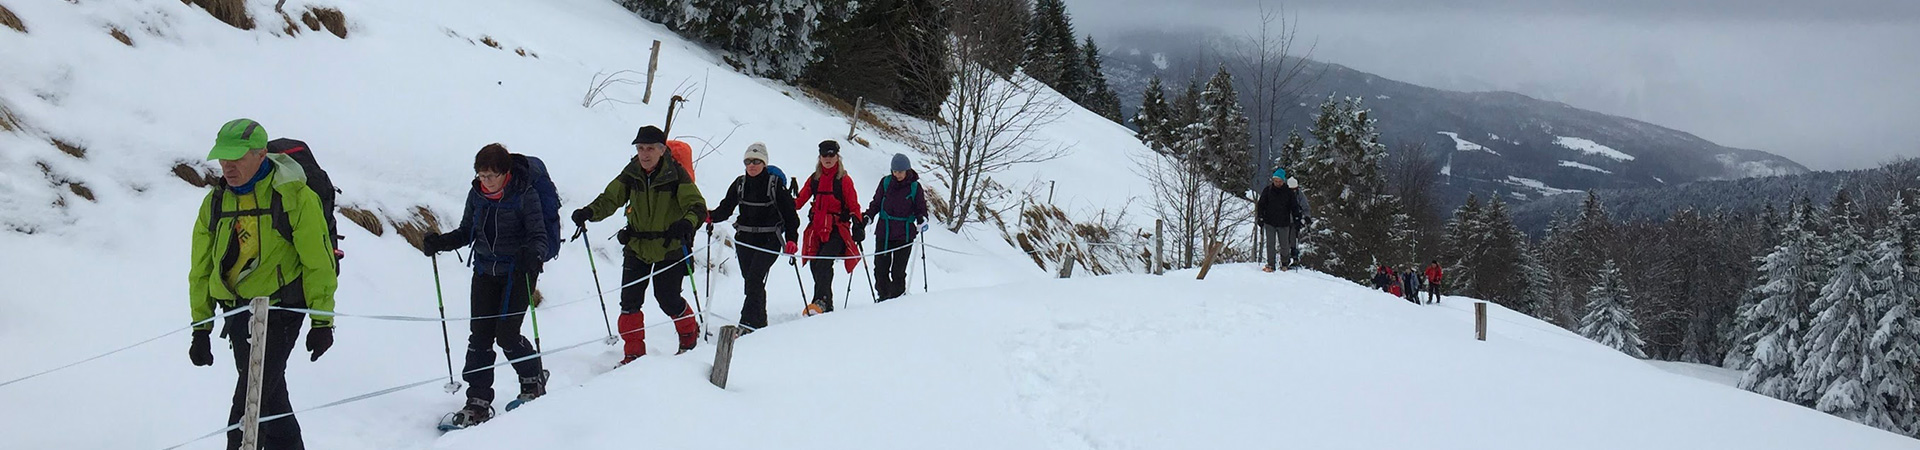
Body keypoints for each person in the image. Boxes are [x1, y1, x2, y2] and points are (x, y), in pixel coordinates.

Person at [186, 119, 337, 450]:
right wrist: (201, 328)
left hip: (283, 309)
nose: (228, 166)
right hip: (238, 310)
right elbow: (200, 268)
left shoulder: (294, 195)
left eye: (236, 158)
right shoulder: (215, 202)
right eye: (223, 159)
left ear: (260, 155)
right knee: (269, 396)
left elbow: (318, 261)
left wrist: (321, 320)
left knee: (247, 407)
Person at [420, 144, 551, 427]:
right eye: (481, 175)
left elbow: (539, 235)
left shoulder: (524, 194)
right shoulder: (477, 194)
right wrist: (441, 242)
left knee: (506, 334)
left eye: (491, 175)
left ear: (505, 173)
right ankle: (477, 401)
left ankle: (533, 380)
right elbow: (468, 231)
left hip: (518, 272)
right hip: (484, 270)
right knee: (479, 336)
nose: (486, 181)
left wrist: (534, 254)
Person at [572, 125, 707, 364]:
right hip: (637, 246)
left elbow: (696, 204)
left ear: (662, 150)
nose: (644, 154)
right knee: (629, 303)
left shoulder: (675, 174)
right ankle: (633, 355)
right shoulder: (632, 172)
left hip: (670, 246)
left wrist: (688, 223)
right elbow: (611, 198)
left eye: (650, 148)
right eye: (640, 148)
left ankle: (689, 336)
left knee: (668, 299)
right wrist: (589, 212)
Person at [707, 143, 801, 331]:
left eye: (757, 161)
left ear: (764, 163)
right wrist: (709, 216)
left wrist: (792, 239)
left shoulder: (775, 185)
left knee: (754, 279)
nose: (752, 165)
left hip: (769, 240)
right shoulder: (740, 184)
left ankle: (747, 324)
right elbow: (726, 208)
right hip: (745, 239)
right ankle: (760, 321)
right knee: (751, 280)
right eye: (748, 161)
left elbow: (791, 216)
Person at [795, 140, 862, 315]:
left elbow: (854, 205)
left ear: (837, 156)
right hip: (817, 228)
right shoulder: (815, 179)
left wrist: (858, 224)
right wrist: (784, 201)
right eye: (825, 155)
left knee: (824, 261)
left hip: (837, 229)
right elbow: (799, 201)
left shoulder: (844, 180)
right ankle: (825, 302)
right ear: (820, 157)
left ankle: (821, 301)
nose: (828, 159)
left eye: (831, 155)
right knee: (814, 262)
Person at [862, 153, 929, 302]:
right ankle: (883, 296)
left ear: (907, 170)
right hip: (884, 233)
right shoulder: (885, 183)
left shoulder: (914, 187)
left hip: (904, 235)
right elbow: (876, 203)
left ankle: (897, 300)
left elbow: (921, 208)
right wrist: (868, 217)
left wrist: (921, 219)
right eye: (895, 171)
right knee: (880, 268)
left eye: (900, 171)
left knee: (898, 271)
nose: (897, 174)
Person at [1254, 168, 1309, 272]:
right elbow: (1261, 204)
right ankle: (1271, 264)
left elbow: (1294, 207)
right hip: (1269, 221)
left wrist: (1297, 218)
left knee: (1284, 245)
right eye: (1275, 181)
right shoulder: (1268, 190)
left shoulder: (1288, 192)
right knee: (1270, 244)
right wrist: (1260, 217)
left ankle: (1284, 263)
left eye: (1279, 181)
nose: (1277, 183)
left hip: (1284, 222)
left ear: (1283, 181)